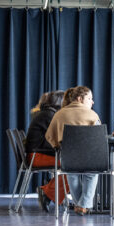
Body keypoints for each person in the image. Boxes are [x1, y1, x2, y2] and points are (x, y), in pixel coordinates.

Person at [45, 86, 101, 215]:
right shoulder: (92, 115)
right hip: (90, 158)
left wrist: (57, 146)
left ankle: (79, 204)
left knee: (72, 174)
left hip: (68, 158)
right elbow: (99, 138)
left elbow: (49, 135)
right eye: (89, 98)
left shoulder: (59, 113)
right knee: (91, 173)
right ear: (80, 99)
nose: (92, 102)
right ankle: (83, 205)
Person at [24, 90, 65, 212]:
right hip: (37, 156)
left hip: (37, 154)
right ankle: (47, 192)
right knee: (74, 167)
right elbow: (57, 138)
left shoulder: (46, 113)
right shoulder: (49, 115)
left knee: (74, 165)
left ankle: (48, 189)